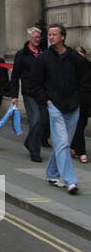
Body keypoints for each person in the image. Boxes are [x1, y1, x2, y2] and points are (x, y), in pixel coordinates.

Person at [26, 24, 91, 194]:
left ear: (63, 37)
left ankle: (52, 173)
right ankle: (71, 181)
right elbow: (34, 83)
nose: (51, 37)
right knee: (62, 143)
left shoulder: (75, 58)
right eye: (49, 34)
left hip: (73, 106)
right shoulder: (43, 58)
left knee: (64, 143)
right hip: (54, 106)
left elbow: (86, 77)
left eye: (55, 34)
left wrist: (81, 98)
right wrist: (46, 101)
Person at [9, 27, 48, 163]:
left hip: (43, 93)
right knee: (35, 120)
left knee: (43, 121)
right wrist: (14, 95)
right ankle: (35, 151)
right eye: (35, 37)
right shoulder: (22, 54)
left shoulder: (44, 53)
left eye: (39, 37)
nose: (38, 39)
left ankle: (29, 142)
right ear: (29, 38)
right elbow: (14, 77)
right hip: (29, 92)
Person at [72, 46, 90, 165]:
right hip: (74, 99)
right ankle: (81, 151)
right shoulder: (71, 67)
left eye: (82, 53)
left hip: (87, 99)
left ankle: (73, 146)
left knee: (82, 123)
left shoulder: (88, 65)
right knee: (78, 124)